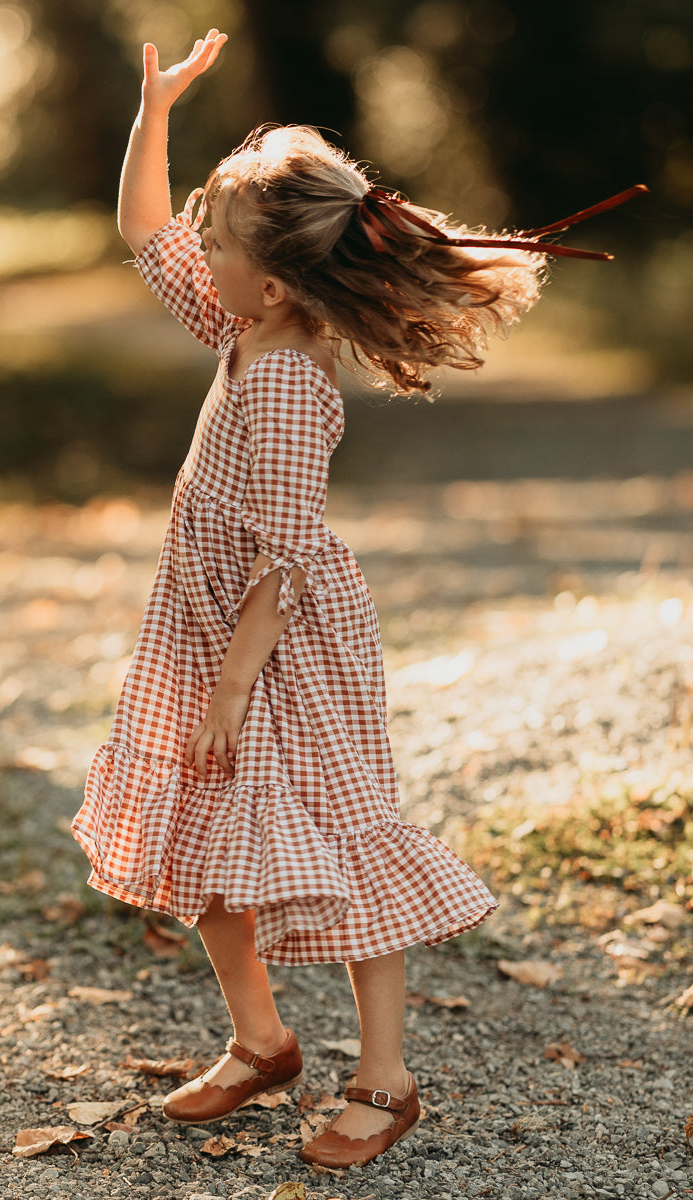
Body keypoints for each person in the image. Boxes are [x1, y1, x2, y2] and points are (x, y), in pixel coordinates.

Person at [71, 29, 643, 1168]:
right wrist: (155, 108)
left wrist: (233, 688)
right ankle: (262, 1042)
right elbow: (141, 228)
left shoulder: (285, 380)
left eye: (217, 237)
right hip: (213, 637)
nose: (197, 243)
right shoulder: (243, 320)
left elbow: (282, 563)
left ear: (271, 279)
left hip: (283, 654)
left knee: (341, 847)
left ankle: (384, 1078)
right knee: (204, 839)